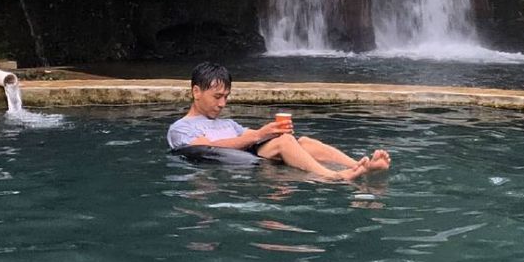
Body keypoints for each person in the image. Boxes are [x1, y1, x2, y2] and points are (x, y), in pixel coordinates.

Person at [167, 62, 391, 183]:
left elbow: (254, 137)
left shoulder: (230, 124)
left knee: (302, 141)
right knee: (285, 142)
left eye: (226, 97)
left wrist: (270, 131)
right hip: (238, 170)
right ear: (196, 91)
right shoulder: (181, 128)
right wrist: (258, 135)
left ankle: (358, 166)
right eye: (217, 97)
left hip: (254, 157)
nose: (223, 103)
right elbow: (203, 149)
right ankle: (331, 177)